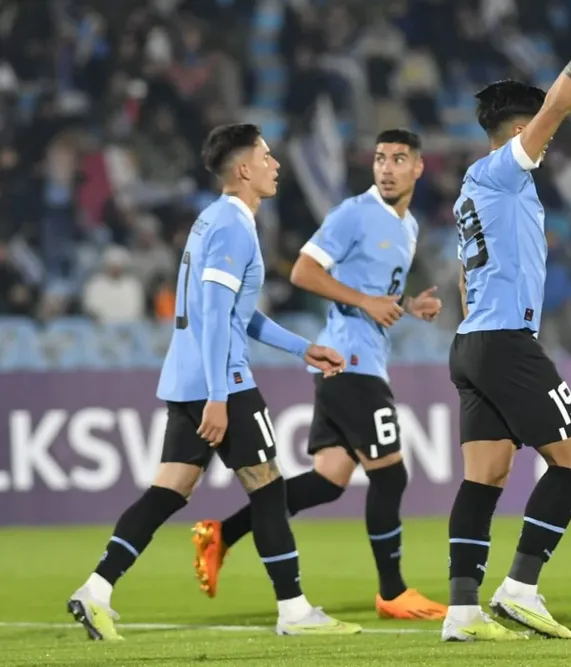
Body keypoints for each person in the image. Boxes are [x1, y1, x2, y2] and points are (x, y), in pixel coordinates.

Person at [66, 124, 362, 640]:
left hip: (186, 379)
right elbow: (215, 312)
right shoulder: (232, 226)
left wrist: (301, 347)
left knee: (169, 491)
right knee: (268, 491)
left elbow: (235, 315)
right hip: (220, 380)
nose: (275, 164)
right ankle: (294, 610)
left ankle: (96, 590)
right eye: (267, 156)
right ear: (243, 168)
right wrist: (221, 397)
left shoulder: (212, 219)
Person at [441, 0, 571, 643]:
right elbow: (559, 105)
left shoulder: (474, 190)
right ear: (518, 127)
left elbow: (468, 282)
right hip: (503, 342)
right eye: (538, 127)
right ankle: (521, 588)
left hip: (472, 342)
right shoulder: (501, 170)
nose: (548, 136)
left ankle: (462, 611)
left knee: (485, 477)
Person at [191, 129, 446, 620]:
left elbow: (372, 290)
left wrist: (408, 305)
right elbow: (305, 272)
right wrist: (366, 302)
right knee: (392, 477)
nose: (387, 168)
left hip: (357, 363)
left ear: (418, 167)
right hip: (350, 365)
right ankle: (392, 592)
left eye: (398, 159)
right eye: (379, 159)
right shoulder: (355, 212)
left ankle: (220, 534)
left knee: (329, 481)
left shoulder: (408, 226)